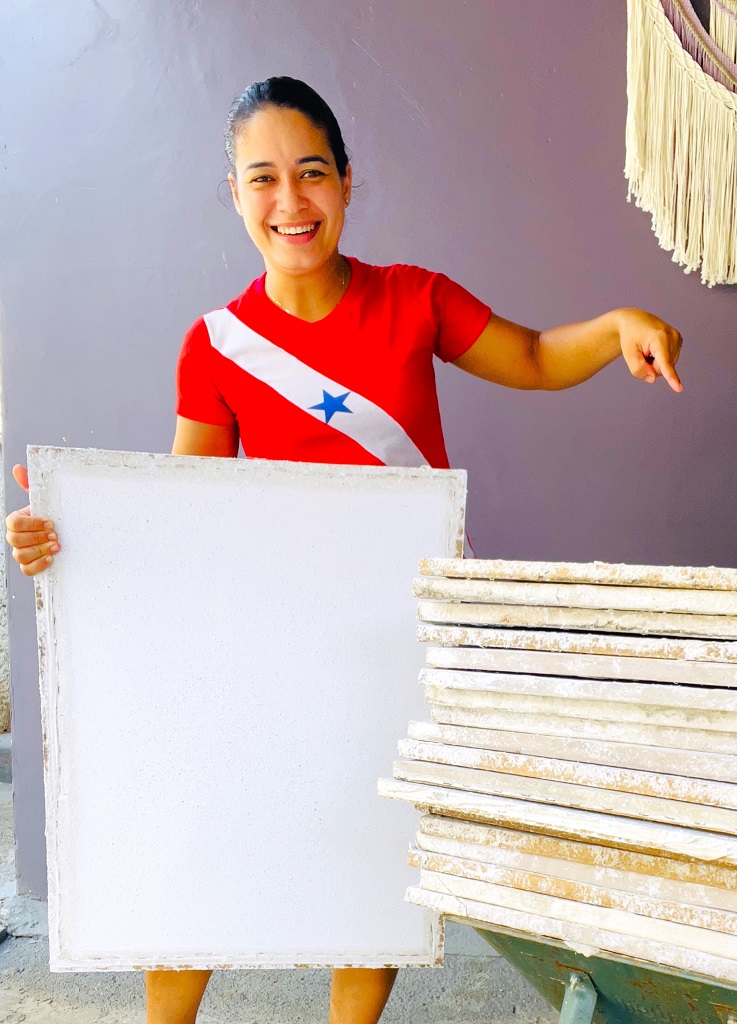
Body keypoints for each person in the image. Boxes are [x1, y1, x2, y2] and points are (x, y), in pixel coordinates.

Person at [5, 77, 683, 1024]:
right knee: (215, 825)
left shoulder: (416, 299)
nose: (292, 202)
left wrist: (614, 330)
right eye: (265, 179)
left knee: (374, 842)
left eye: (312, 173)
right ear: (235, 194)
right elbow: (182, 507)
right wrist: (69, 534)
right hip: (268, 634)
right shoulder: (214, 345)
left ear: (348, 181)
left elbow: (531, 358)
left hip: (398, 629)